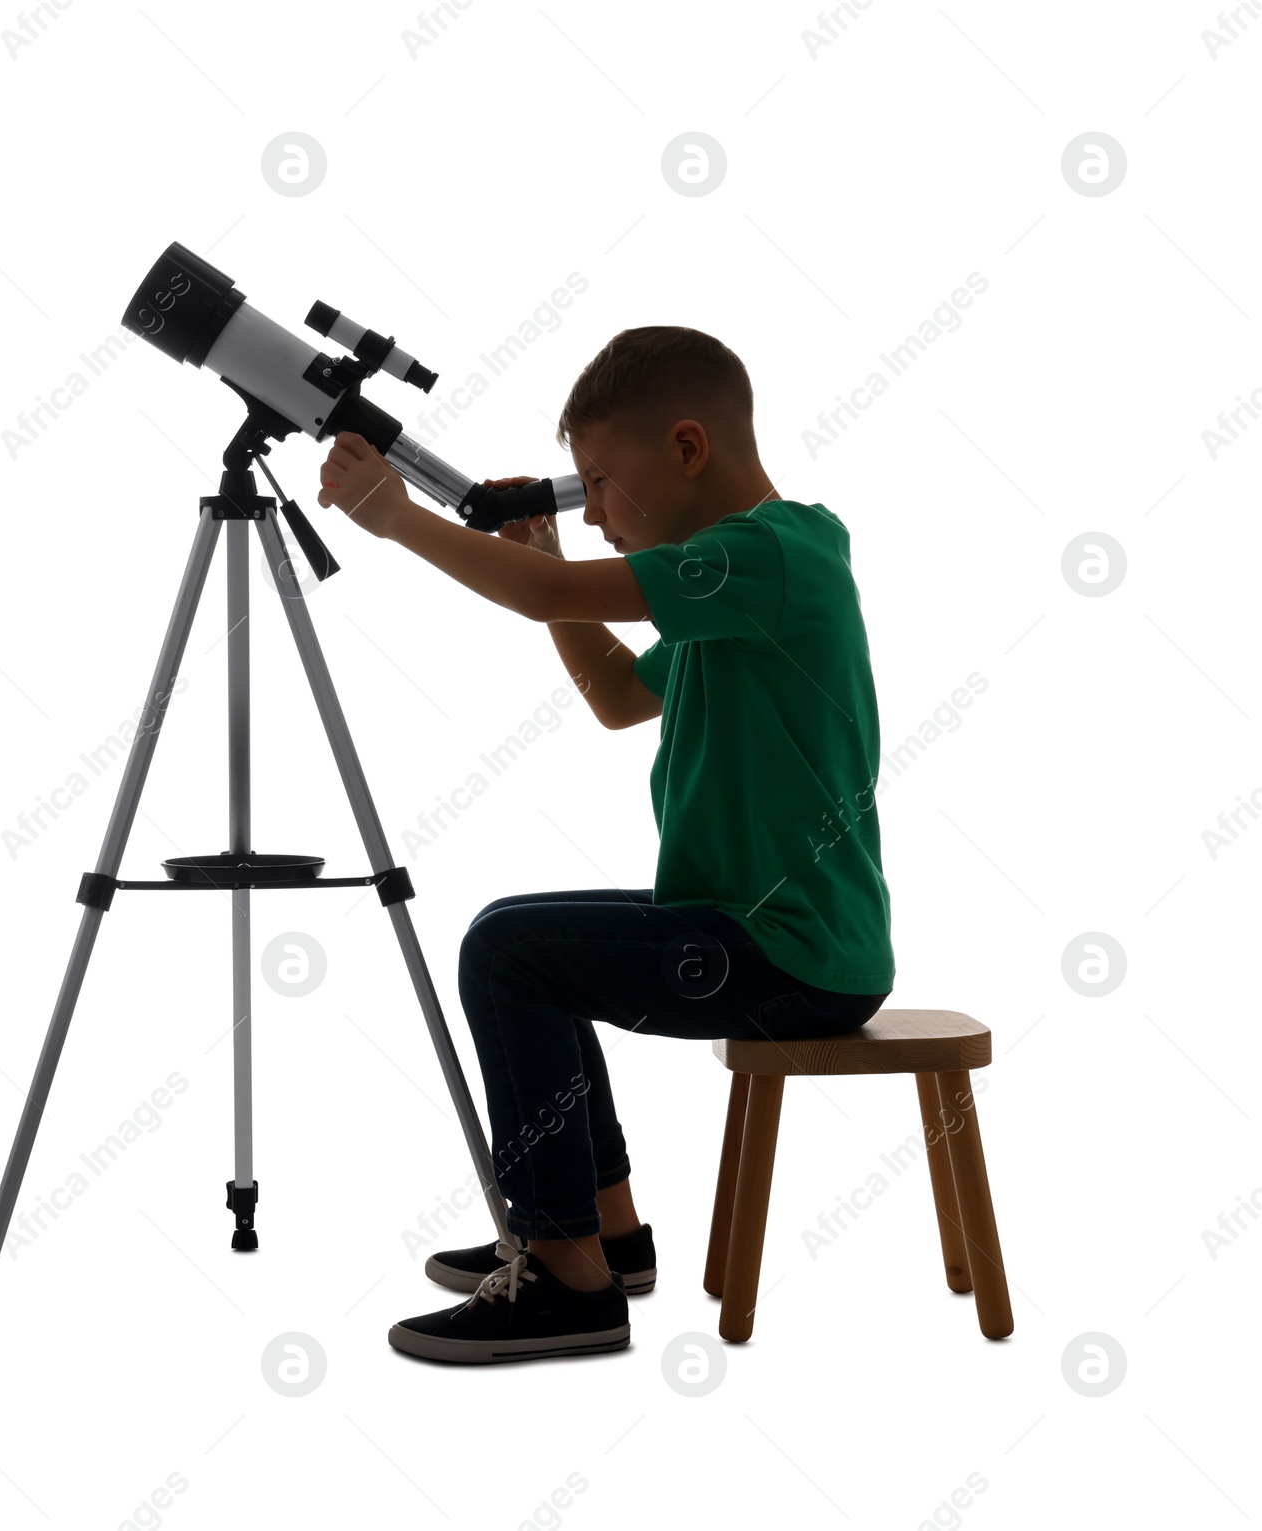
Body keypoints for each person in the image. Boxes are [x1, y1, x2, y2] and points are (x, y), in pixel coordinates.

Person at [314, 325, 894, 1364]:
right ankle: (603, 1235)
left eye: (598, 484)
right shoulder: (739, 578)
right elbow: (621, 697)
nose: (595, 512)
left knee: (510, 955)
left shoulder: (765, 556)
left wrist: (394, 519)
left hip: (786, 958)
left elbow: (551, 596)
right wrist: (544, 552)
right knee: (522, 939)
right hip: (760, 934)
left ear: (685, 450)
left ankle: (567, 1277)